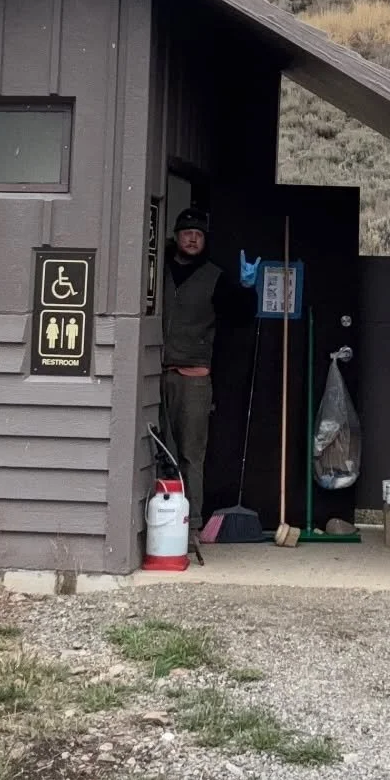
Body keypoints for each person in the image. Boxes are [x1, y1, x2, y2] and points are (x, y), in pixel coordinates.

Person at [160, 206, 255, 554]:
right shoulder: (157, 270)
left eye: (198, 234)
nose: (192, 238)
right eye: (187, 232)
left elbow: (241, 317)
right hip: (155, 373)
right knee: (157, 450)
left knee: (191, 454)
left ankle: (191, 526)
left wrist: (247, 287)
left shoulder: (215, 278)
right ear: (176, 236)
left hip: (194, 378)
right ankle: (156, 522)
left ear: (205, 240)